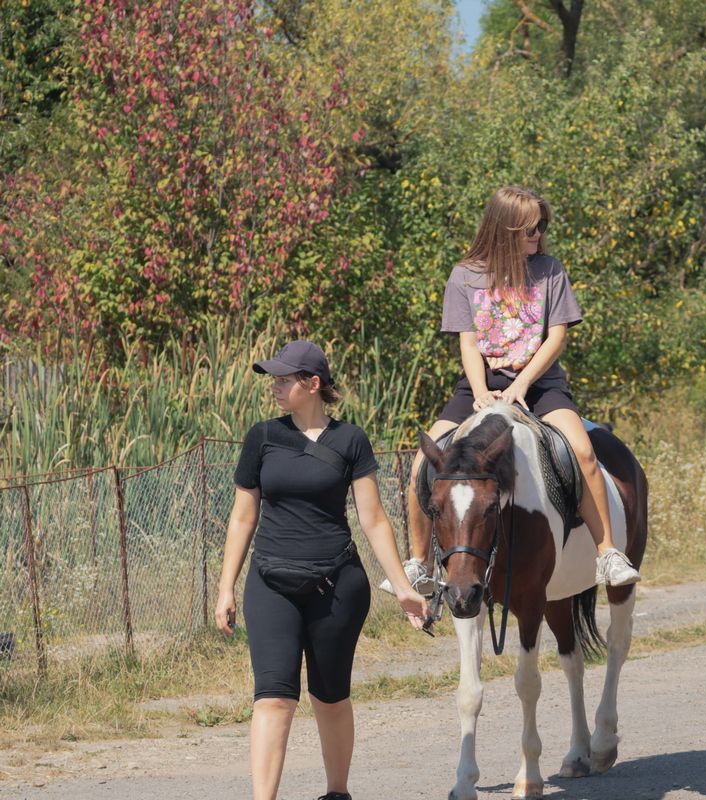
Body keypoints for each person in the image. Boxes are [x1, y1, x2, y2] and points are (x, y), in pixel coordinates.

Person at [214, 339, 429, 800]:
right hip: (271, 581)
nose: (275, 386)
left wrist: (405, 588)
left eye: (284, 379)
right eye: (274, 378)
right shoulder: (262, 438)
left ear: (312, 384)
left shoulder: (351, 440)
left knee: (329, 698)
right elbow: (242, 517)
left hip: (337, 586)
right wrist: (225, 588)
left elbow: (372, 519)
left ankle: (337, 792)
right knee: (273, 696)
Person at [403, 185, 640, 593]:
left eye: (541, 227)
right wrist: (479, 391)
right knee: (421, 466)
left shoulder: (551, 270)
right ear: (504, 229)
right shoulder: (464, 275)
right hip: (481, 381)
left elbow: (556, 337)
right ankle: (419, 563)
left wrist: (523, 383)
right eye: (530, 229)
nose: (538, 235)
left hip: (540, 381)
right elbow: (469, 341)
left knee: (583, 452)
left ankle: (607, 553)